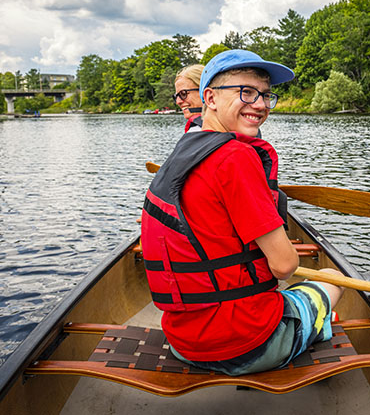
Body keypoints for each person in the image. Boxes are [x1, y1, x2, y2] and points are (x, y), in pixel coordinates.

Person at [141, 49, 344, 376]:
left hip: (183, 341)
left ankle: (313, 325)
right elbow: (285, 266)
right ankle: (314, 329)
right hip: (247, 345)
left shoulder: (185, 150)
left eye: (265, 95)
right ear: (209, 97)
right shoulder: (236, 158)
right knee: (334, 279)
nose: (261, 104)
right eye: (246, 92)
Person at [172, 64, 204, 132]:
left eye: (183, 94)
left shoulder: (197, 133)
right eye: (176, 96)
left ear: (206, 93)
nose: (178, 102)